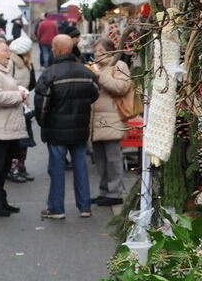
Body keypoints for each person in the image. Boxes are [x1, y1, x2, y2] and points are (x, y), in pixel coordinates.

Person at [34, 35, 98, 220]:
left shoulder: (50, 74)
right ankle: (85, 206)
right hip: (79, 128)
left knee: (57, 169)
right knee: (80, 167)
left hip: (56, 129)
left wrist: (43, 123)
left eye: (53, 47)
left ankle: (56, 208)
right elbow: (93, 94)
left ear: (58, 49)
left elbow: (41, 104)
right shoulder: (86, 72)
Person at [0, 37, 27, 215]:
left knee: (4, 167)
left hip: (8, 127)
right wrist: (19, 95)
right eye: (5, 50)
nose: (9, 53)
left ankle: (1, 201)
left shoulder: (3, 68)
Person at [89, 38, 131, 206]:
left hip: (111, 118)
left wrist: (100, 77)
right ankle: (104, 190)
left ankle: (115, 193)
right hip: (94, 119)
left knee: (113, 158)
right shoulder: (93, 66)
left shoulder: (119, 66)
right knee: (99, 158)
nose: (98, 53)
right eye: (96, 50)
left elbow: (122, 87)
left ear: (110, 50)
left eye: (101, 50)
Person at [8, 34, 36, 182]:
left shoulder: (26, 63)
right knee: (16, 140)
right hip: (15, 105)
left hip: (23, 105)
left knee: (24, 139)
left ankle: (21, 167)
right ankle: (13, 169)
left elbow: (32, 83)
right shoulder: (13, 63)